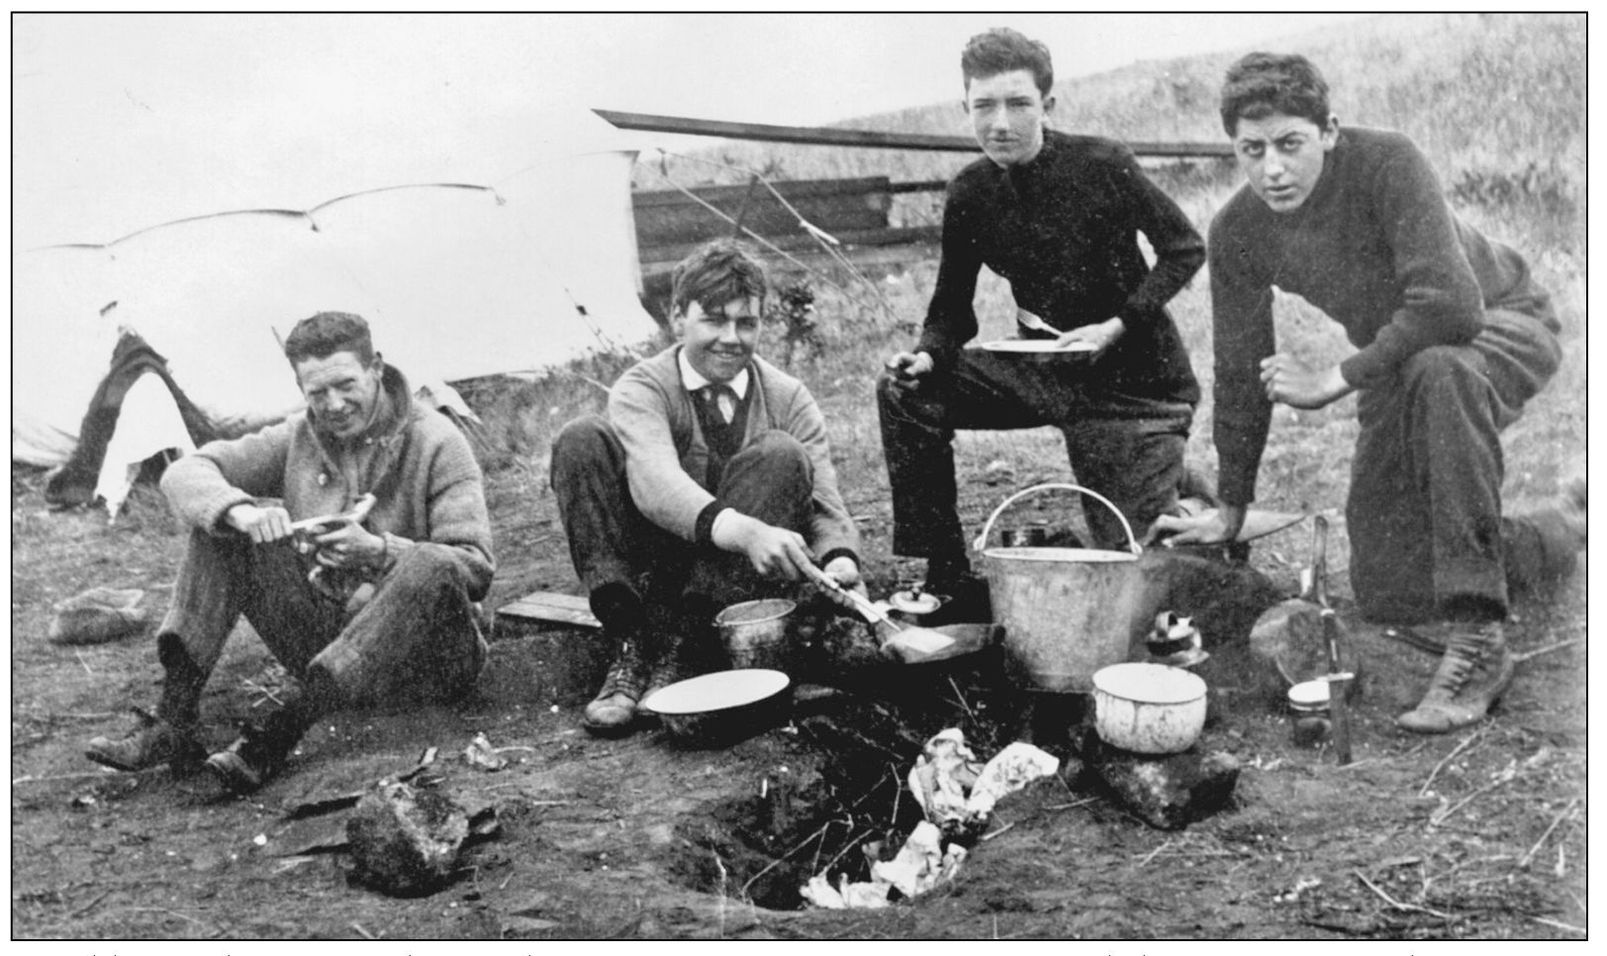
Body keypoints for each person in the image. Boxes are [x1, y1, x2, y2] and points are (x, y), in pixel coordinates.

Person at [1155, 53, 1585, 734]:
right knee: (1386, 589)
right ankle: (1564, 526)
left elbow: (1451, 307)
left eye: (1290, 144)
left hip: (1501, 318)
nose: (1271, 168)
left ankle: (1477, 637)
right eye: (1251, 149)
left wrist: (1336, 378)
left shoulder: (1387, 161)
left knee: (1442, 371)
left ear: (1328, 130)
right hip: (1401, 350)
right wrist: (1233, 504)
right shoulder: (1237, 231)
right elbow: (1240, 371)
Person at [86, 311, 495, 790]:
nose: (335, 405)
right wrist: (240, 513)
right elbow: (185, 472)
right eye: (317, 393)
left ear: (376, 368)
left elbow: (473, 567)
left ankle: (277, 736)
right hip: (333, 650)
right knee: (220, 530)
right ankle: (173, 720)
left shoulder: (438, 442)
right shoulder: (302, 436)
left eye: (346, 385)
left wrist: (378, 552)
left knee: (430, 561)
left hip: (432, 661)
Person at [878, 27, 1206, 596]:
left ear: (1047, 106)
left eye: (1017, 103)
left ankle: (1193, 493)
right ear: (965, 108)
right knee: (904, 393)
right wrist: (927, 356)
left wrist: (1118, 323)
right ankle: (947, 572)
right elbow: (952, 312)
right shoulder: (970, 192)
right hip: (1041, 369)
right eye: (983, 106)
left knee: (1138, 571)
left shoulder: (1103, 163)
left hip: (1130, 384)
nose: (999, 122)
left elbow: (1183, 248)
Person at [550, 239, 863, 736]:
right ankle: (630, 644)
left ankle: (687, 646)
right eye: (713, 320)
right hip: (653, 560)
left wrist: (839, 558)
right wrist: (746, 532)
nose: (731, 338)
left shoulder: (787, 396)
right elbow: (655, 482)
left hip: (724, 583)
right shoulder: (643, 388)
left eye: (746, 323)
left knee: (783, 453)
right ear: (677, 318)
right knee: (581, 440)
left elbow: (824, 499)